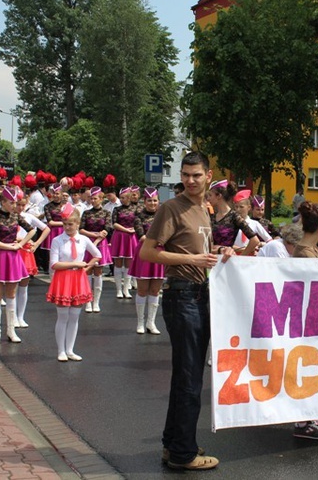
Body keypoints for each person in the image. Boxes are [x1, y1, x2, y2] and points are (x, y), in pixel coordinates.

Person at [139, 151, 228, 471]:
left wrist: (222, 251)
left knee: (186, 377)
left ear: (208, 175)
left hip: (200, 295)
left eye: (197, 175)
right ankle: (184, 454)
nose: (190, 180)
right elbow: (148, 252)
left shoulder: (204, 210)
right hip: (182, 298)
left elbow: (200, 250)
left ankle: (173, 444)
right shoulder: (171, 208)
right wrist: (193, 261)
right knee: (190, 379)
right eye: (186, 175)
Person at [291, 201, 318, 439]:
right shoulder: (306, 253)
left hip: (312, 318)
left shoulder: (310, 250)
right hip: (309, 320)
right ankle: (307, 418)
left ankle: (307, 415)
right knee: (310, 365)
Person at [0, 187, 36, 345]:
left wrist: (20, 243)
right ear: (3, 202)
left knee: (11, 295)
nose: (14, 205)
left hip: (12, 257)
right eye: (11, 202)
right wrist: (11, 247)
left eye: (15, 202)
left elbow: (31, 231)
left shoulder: (16, 216)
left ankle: (11, 330)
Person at [47, 206, 101, 362]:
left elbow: (98, 255)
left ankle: (70, 350)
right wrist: (76, 264)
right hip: (62, 279)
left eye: (70, 224)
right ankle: (61, 350)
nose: (67, 227)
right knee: (62, 316)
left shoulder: (84, 240)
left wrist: (85, 267)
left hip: (78, 279)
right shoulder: (57, 240)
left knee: (75, 316)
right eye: (65, 224)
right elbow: (54, 264)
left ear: (78, 224)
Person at [131, 187, 165, 334]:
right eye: (149, 200)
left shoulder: (164, 216)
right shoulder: (138, 215)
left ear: (158, 201)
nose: (152, 203)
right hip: (145, 253)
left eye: (155, 200)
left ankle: (151, 322)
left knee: (155, 290)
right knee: (142, 290)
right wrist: (159, 241)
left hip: (160, 254)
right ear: (144, 201)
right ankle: (140, 322)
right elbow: (141, 235)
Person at [15, 193, 51, 328]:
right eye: (17, 204)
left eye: (22, 205)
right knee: (12, 286)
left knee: (23, 286)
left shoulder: (29, 217)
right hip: (13, 250)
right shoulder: (9, 217)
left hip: (25, 252)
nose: (19, 207)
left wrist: (36, 244)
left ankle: (20, 316)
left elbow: (46, 229)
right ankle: (13, 316)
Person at [79, 186, 112, 313]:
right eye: (91, 198)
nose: (93, 201)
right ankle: (88, 301)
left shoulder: (106, 213)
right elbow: (81, 229)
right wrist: (93, 235)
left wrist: (100, 236)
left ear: (101, 199)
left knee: (98, 272)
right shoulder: (86, 213)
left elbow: (107, 228)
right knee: (87, 271)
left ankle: (96, 302)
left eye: (95, 198)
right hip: (88, 242)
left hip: (101, 243)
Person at [207, 180, 260, 257]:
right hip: (211, 261)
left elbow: (254, 240)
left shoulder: (234, 216)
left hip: (226, 262)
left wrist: (240, 257)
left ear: (219, 196)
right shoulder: (212, 216)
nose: (208, 198)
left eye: (210, 195)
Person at [110, 187, 138, 299]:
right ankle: (118, 290)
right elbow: (114, 223)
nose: (122, 200)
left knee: (128, 263)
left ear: (129, 197)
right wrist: (126, 230)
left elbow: (139, 221)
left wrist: (134, 229)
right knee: (118, 263)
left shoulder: (136, 208)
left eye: (124, 197)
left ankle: (126, 289)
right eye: (120, 197)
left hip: (132, 236)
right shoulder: (117, 209)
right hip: (120, 235)